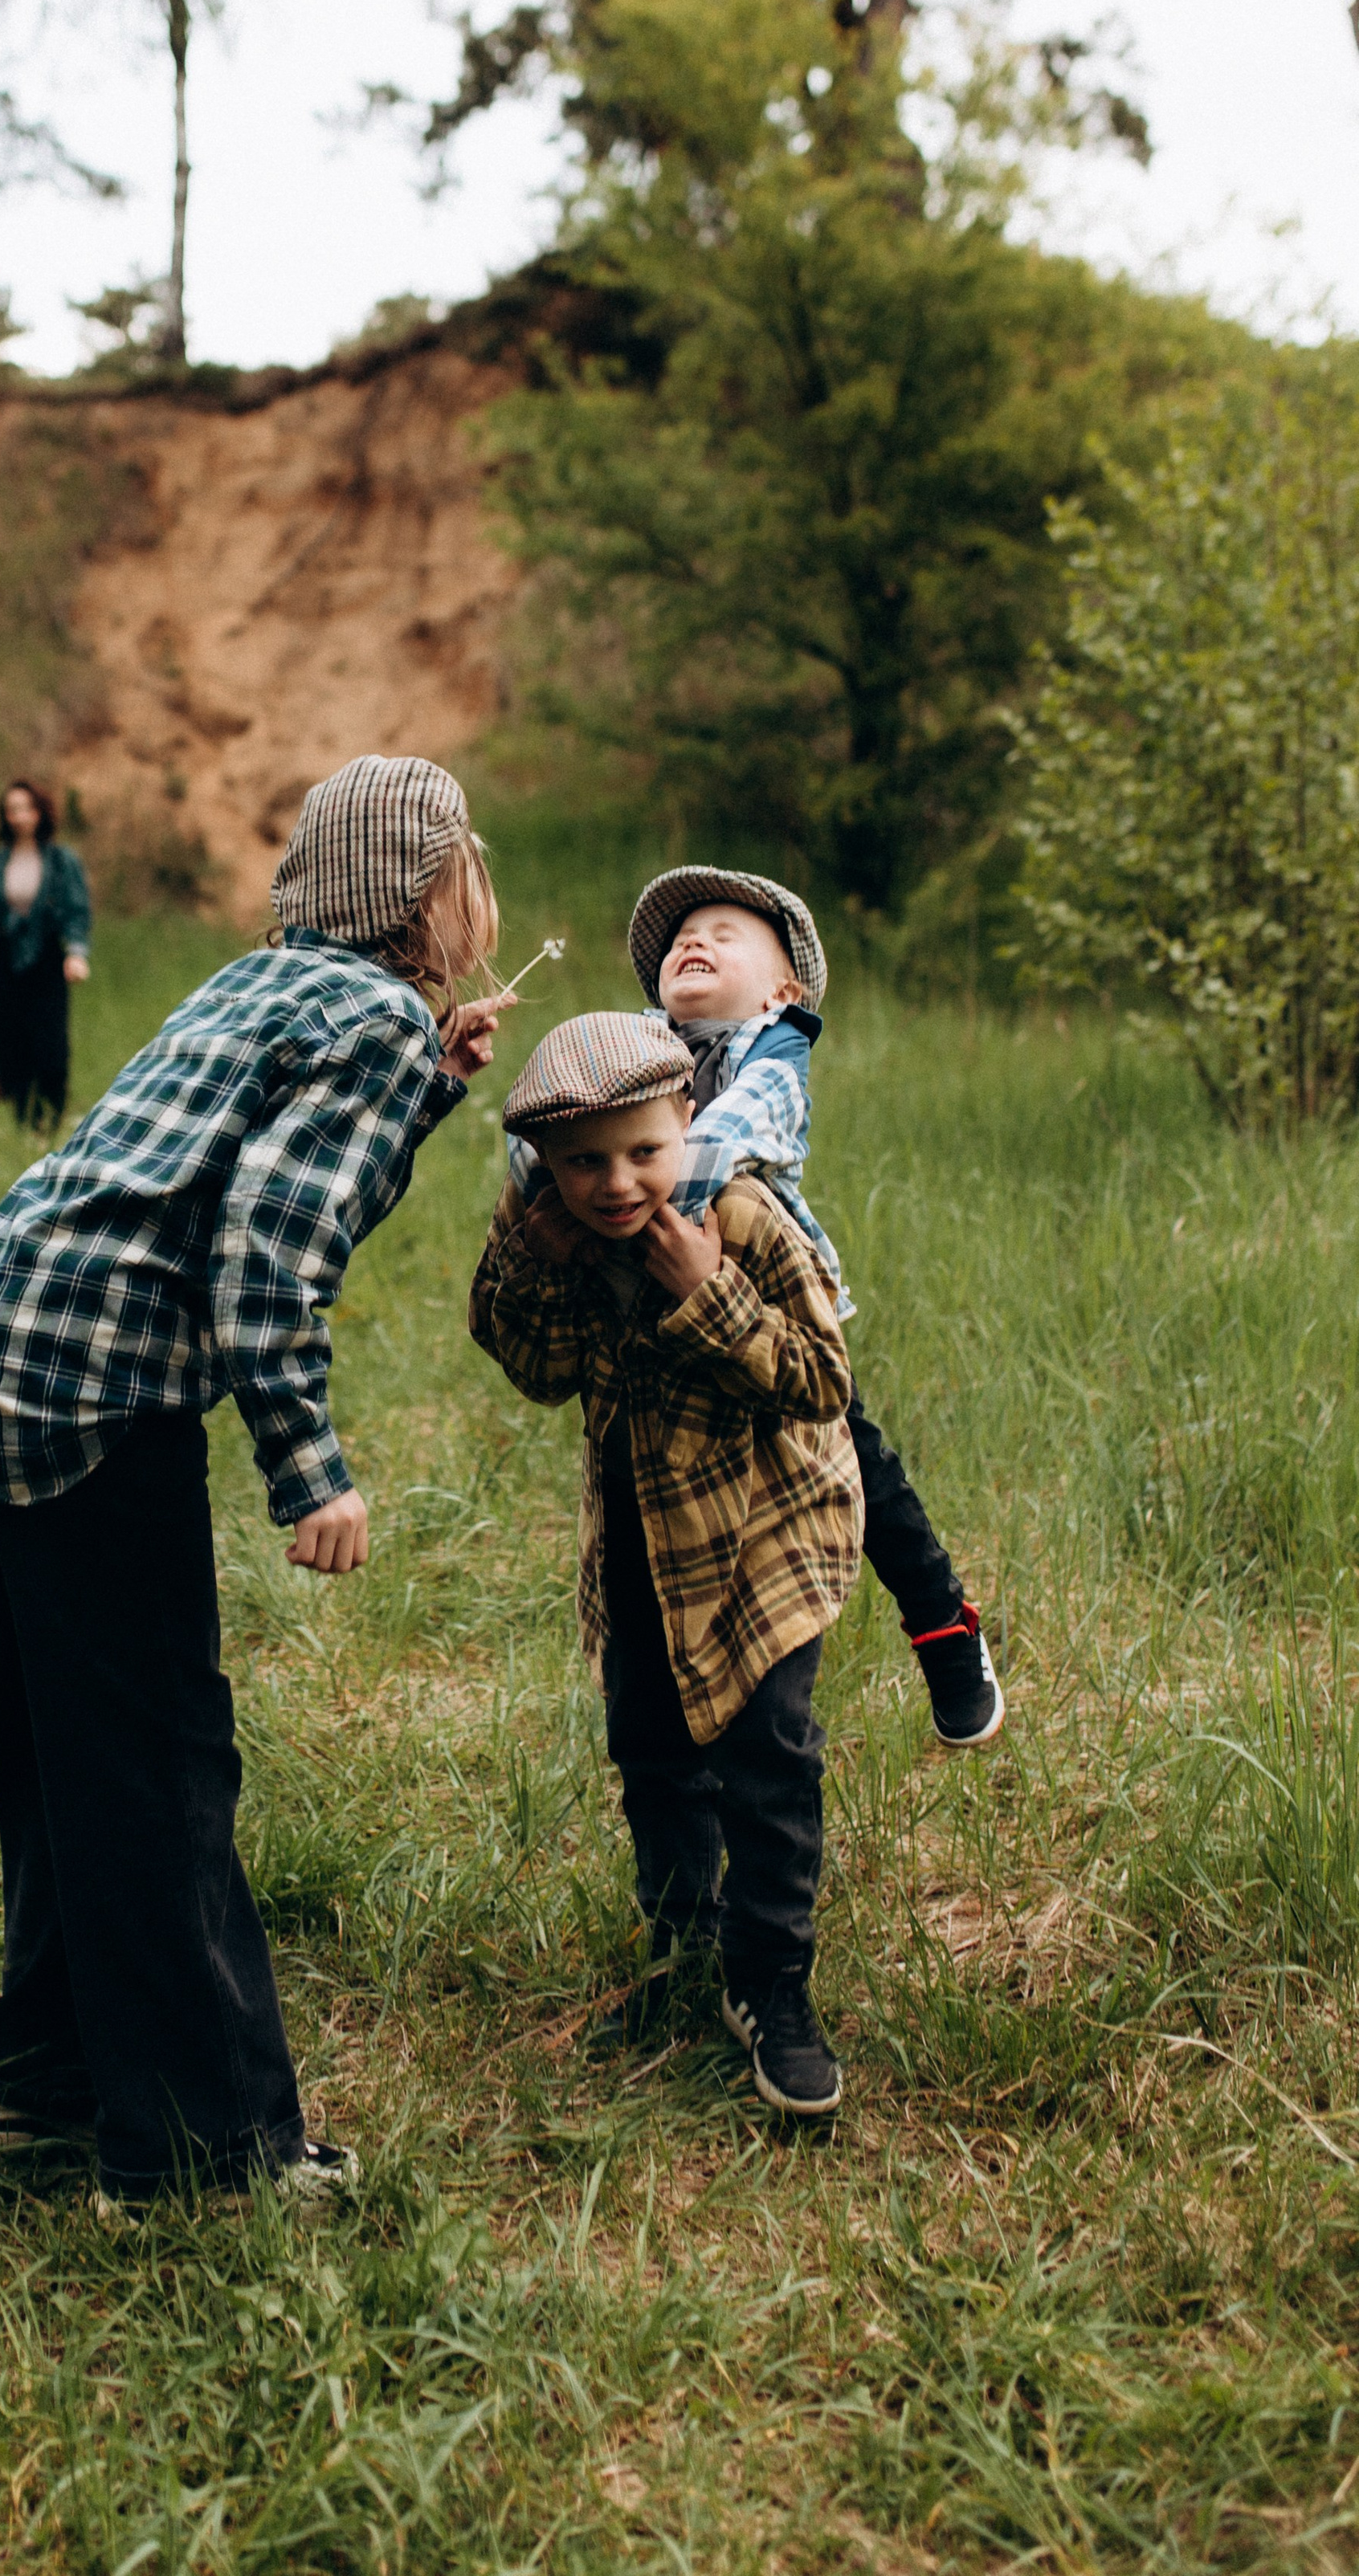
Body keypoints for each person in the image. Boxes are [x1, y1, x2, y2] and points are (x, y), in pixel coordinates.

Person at [0, 754, 512, 2211]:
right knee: (162, 1762)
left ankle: (38, 2074)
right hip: (92, 1380)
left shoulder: (257, 983)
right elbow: (265, 1257)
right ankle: (202, 2156)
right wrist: (311, 1470)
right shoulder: (369, 1017)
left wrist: (418, 1088)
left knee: (68, 1753)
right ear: (429, 892)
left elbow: (229, 1169)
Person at [471, 1011, 863, 2116]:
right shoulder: (555, 1231)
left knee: (769, 1753)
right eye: (583, 1163)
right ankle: (683, 1945)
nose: (615, 1184)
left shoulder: (739, 1214)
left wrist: (708, 1290)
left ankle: (772, 1988)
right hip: (648, 1526)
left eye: (643, 1151)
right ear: (545, 1165)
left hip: (769, 1531)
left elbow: (822, 1380)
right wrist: (528, 1259)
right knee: (650, 1739)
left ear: (685, 1119)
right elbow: (536, 1368)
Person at [621, 869, 1003, 1750]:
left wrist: (632, 1186)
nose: (694, 942)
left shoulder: (778, 1045)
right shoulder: (638, 1041)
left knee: (850, 1459)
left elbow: (724, 1138)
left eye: (724, 933)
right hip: (663, 1310)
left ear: (782, 987)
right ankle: (698, 1706)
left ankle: (944, 1627)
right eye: (682, 937)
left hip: (776, 1308)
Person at [0, 779, 92, 1130]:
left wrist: (77, 952)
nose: (20, 817)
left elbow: (76, 910)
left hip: (47, 963)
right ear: (4, 817)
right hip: (0, 968)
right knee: (10, 1047)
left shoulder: (61, 860)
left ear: (40, 812)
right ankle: (26, 1122)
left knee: (51, 1047)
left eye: (27, 808)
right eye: (13, 810)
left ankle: (53, 1120)